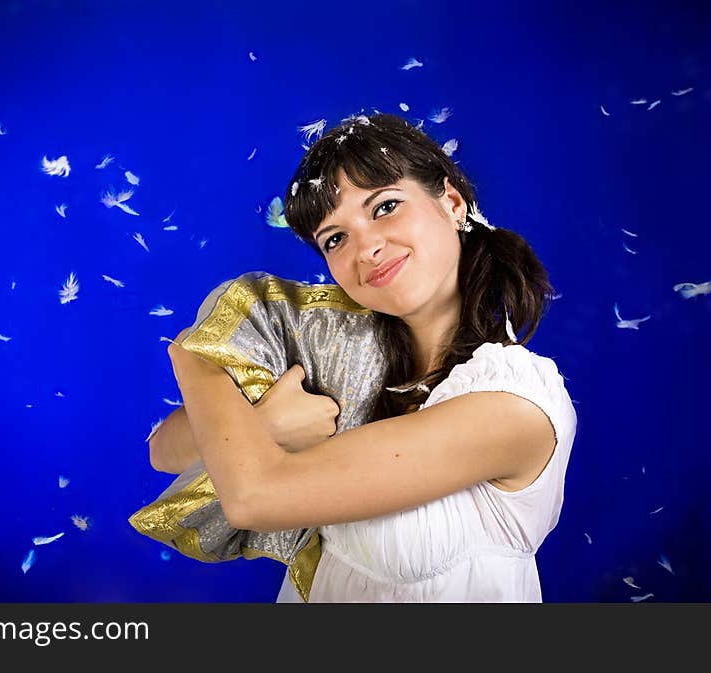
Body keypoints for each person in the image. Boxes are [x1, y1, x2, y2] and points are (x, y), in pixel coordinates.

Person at [155, 112, 578, 602]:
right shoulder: (340, 364)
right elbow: (165, 452)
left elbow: (254, 496)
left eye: (385, 207)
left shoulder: (512, 402)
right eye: (335, 238)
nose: (367, 248)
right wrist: (267, 424)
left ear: (453, 203)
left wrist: (195, 357)